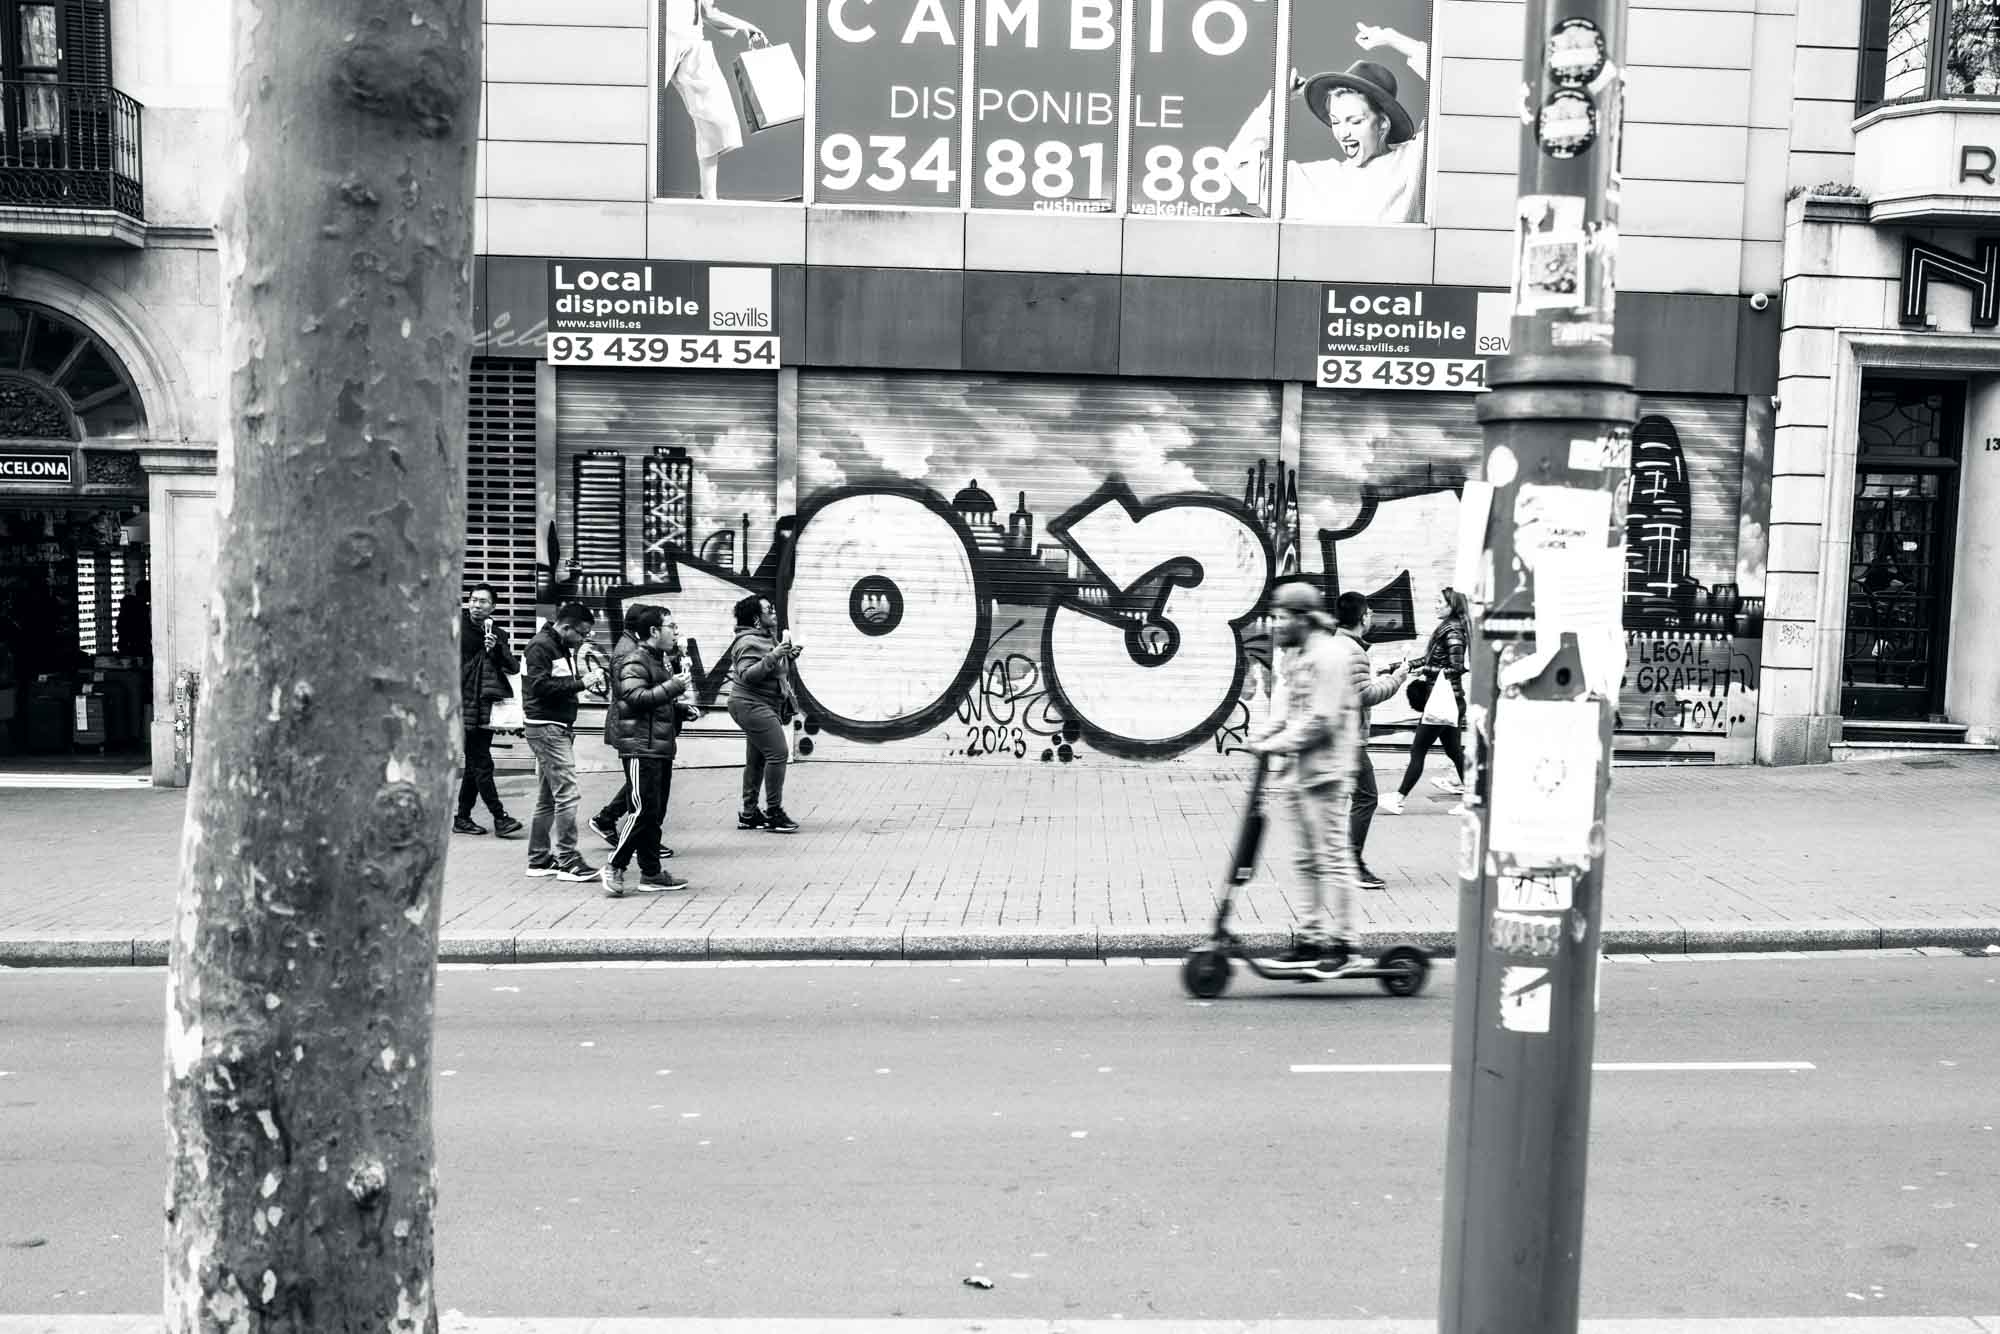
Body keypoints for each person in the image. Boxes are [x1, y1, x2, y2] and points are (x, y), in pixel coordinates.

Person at [1248, 580, 1364, 966]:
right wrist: (1264, 734)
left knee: (1332, 858)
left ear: (1303, 618)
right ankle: (1312, 939)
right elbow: (1287, 709)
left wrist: (1276, 745)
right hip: (1299, 773)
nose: (1274, 626)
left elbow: (1322, 719)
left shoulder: (1329, 657)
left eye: (1281, 618)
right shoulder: (1296, 657)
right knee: (1305, 860)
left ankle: (1346, 944)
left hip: (1326, 774)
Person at [1225, 22, 1429, 224]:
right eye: (1336, 121)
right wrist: (1274, 102)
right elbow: (1239, 166)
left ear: (1383, 123)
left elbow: (1452, 81)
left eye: (1355, 121)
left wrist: (1393, 39)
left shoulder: (1413, 159)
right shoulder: (1324, 180)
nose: (1343, 133)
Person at [602, 605, 696, 898]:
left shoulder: (659, 660)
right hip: (641, 747)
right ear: (654, 631)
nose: (676, 631)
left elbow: (654, 701)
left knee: (655, 813)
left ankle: (651, 872)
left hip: (659, 746)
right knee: (641, 810)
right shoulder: (634, 660)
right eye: (671, 626)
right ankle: (614, 866)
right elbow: (633, 698)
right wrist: (673, 688)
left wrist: (679, 709)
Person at [1329, 591, 1413, 891]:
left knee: (1338, 799)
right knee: (1366, 797)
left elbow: (1352, 686)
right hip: (1348, 737)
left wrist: (1375, 673)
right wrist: (1398, 678)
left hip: (1333, 734)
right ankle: (1352, 863)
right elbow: (1366, 695)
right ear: (1363, 617)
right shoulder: (1354, 651)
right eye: (1370, 612)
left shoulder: (1336, 644)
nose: (1372, 616)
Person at [521, 601, 604, 883]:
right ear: (566, 627)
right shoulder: (541, 646)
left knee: (548, 798)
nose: (583, 640)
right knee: (567, 793)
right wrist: (582, 683)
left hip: (554, 727)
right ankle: (568, 859)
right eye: (581, 634)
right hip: (547, 728)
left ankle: (539, 859)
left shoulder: (557, 646)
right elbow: (540, 687)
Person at [662, 0, 768, 199]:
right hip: (661, 37)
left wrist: (744, 26)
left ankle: (708, 196)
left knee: (717, 118)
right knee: (642, 104)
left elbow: (707, 11)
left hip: (694, 39)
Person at [1382, 587, 1470, 816]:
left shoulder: (1453, 632)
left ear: (1452, 606)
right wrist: (1400, 667)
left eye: (1439, 602)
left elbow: (1456, 667)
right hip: (1447, 703)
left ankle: (1398, 799)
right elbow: (1431, 660)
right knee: (1453, 751)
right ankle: (1473, 800)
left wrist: (1426, 672)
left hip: (1443, 703)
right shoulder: (1447, 628)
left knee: (1418, 748)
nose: (1435, 605)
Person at [726, 593, 802, 834]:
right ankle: (774, 811)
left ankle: (749, 814)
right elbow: (747, 674)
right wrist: (775, 655)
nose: (774, 613)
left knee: (757, 759)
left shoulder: (766, 637)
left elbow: (772, 669)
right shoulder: (747, 641)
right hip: (750, 704)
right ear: (756, 619)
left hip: (761, 704)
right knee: (779, 753)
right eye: (769, 610)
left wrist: (786, 656)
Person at [455, 583, 524, 838]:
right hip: (462, 705)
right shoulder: (456, 627)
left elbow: (513, 668)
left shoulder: (498, 634)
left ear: (493, 607)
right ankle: (500, 817)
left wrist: (495, 647)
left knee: (475, 764)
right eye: (473, 600)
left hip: (485, 708)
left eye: (483, 601)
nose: (476, 605)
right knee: (482, 762)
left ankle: (462, 817)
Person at [588, 610, 644, 850]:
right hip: (629, 725)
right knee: (641, 782)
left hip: (630, 724)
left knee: (640, 781)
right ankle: (633, 838)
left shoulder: (631, 645)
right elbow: (629, 693)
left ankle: (607, 819)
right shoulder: (628, 651)